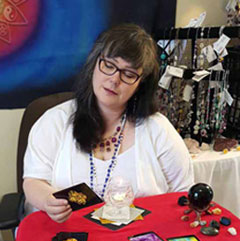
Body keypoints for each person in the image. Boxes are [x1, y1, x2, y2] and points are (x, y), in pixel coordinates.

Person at [23, 23, 194, 223]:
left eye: (128, 74)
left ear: (141, 85)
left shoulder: (158, 129)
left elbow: (183, 193)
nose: (114, 80)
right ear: (95, 63)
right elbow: (34, 181)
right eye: (109, 65)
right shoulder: (54, 121)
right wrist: (48, 200)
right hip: (69, 237)